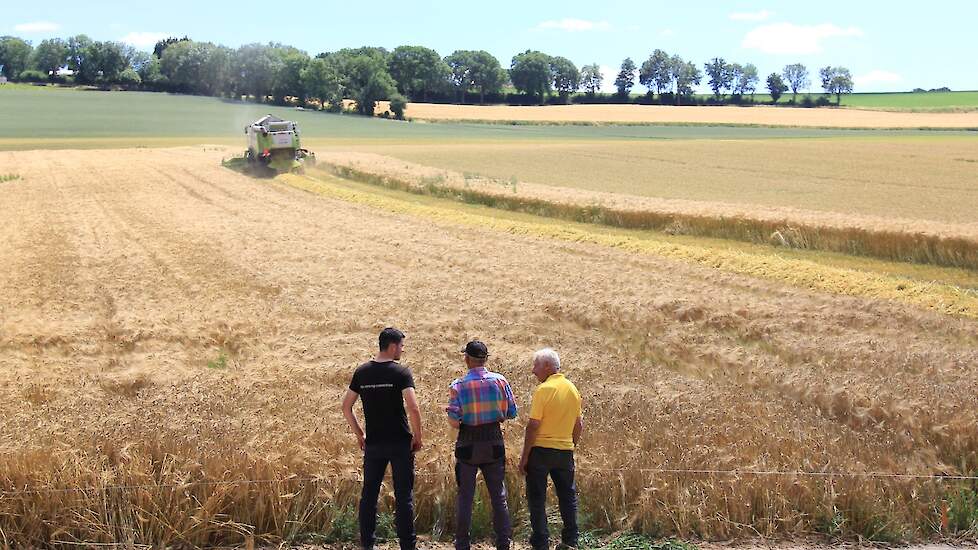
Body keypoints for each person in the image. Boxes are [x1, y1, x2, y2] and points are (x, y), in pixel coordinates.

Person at [341, 327, 423, 550]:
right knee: (404, 496)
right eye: (402, 346)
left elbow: (346, 407)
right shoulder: (401, 373)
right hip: (399, 442)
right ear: (393, 346)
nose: (402, 351)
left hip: (374, 443)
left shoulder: (362, 372)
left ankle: (367, 544)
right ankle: (408, 545)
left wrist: (360, 434)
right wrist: (418, 436)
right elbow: (413, 408)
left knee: (369, 495)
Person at [446, 340, 518, 550]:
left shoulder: (458, 386)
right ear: (485, 359)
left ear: (467, 359)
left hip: (468, 441)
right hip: (494, 439)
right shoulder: (500, 381)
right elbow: (512, 413)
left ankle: (462, 544)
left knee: (465, 497)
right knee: (498, 496)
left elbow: (453, 420)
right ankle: (503, 543)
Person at [518, 348, 583, 550]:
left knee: (537, 498)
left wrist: (525, 457)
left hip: (541, 451)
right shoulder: (573, 389)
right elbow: (579, 424)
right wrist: (570, 445)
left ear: (547, 366)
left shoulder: (544, 390)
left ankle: (541, 542)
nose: (533, 370)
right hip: (564, 451)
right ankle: (570, 541)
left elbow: (533, 425)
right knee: (567, 497)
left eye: (536, 365)